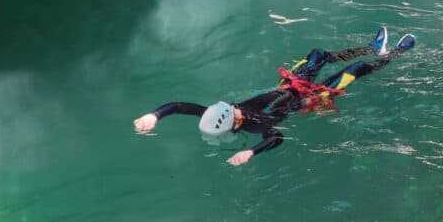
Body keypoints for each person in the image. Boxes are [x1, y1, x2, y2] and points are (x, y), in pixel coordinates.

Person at [134, 28, 416, 166]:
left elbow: (180, 106)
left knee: (317, 54)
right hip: (308, 98)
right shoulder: (255, 125)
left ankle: (371, 47)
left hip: (290, 84)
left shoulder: (220, 113)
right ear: (234, 124)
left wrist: (154, 115)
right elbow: (277, 137)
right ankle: (395, 54)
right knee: (354, 72)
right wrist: (250, 152)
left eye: (232, 108)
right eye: (234, 114)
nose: (236, 109)